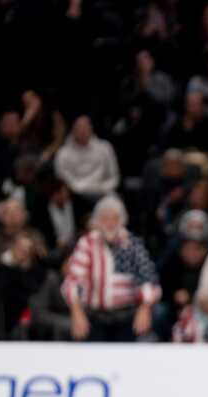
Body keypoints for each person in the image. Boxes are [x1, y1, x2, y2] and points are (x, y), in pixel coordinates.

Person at [61, 195, 161, 342]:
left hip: (126, 317)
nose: (109, 223)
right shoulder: (87, 243)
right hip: (94, 316)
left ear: (122, 220)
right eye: (104, 218)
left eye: (114, 218)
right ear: (96, 221)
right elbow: (73, 280)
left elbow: (148, 280)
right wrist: (76, 311)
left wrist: (145, 307)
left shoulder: (132, 245)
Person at [53, 116, 120, 206]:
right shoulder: (63, 153)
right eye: (79, 127)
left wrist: (102, 189)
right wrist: (79, 189)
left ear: (91, 128)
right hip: (75, 195)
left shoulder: (105, 148)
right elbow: (61, 178)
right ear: (73, 129)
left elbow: (114, 177)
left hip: (102, 192)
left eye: (85, 127)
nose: (82, 131)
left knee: (115, 203)